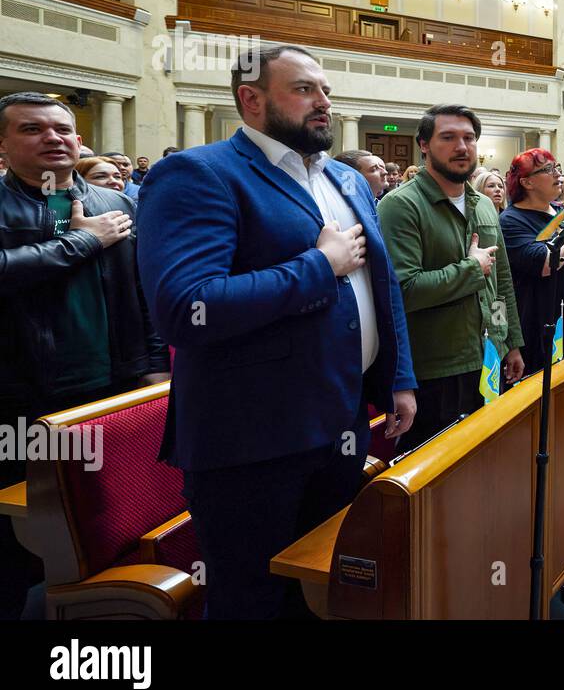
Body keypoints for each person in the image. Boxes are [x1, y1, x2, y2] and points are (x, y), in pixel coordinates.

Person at [135, 46, 415, 619]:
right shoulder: (200, 173)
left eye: (326, 91)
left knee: (322, 587)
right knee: (251, 601)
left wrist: (399, 377)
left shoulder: (346, 179)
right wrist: (319, 265)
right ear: (251, 99)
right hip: (250, 437)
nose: (324, 103)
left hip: (340, 420)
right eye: (305, 90)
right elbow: (186, 308)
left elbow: (382, 287)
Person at [1, 92, 170, 619]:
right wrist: (77, 244)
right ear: (3, 144)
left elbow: (143, 292)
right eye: (32, 129)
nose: (53, 138)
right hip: (21, 394)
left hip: (112, 386)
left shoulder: (114, 203)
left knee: (106, 515)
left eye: (63, 130)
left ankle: (97, 613)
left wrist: (154, 362)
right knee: (19, 527)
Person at [377, 104, 524, 451]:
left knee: (484, 461)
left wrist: (509, 340)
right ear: (424, 145)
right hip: (435, 369)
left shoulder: (484, 205)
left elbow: (500, 281)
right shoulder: (401, 205)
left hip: (487, 357)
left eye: (469, 138)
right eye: (449, 137)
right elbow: (404, 289)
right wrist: (470, 270)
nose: (462, 146)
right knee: (435, 474)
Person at [500, 149, 564, 377]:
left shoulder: (559, 212)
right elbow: (548, 263)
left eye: (557, 168)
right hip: (546, 333)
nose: (558, 174)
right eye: (548, 169)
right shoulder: (511, 221)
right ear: (526, 182)